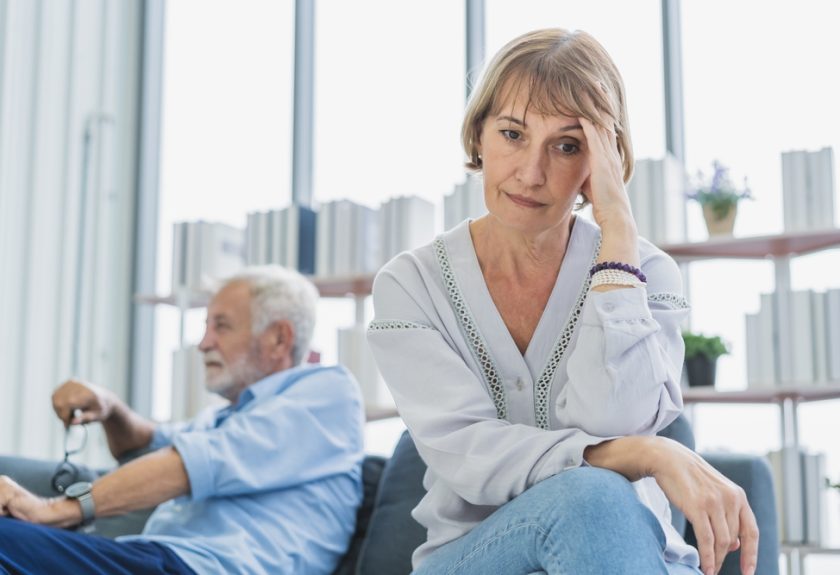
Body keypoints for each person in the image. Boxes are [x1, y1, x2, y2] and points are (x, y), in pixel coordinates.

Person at [366, 28, 757, 575]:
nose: (532, 172)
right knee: (592, 496)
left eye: (568, 145)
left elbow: (614, 417)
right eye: (512, 134)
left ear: (603, 162)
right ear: (479, 134)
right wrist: (641, 453)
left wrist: (617, 240)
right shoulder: (410, 285)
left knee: (595, 500)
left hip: (632, 556)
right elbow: (469, 457)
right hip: (475, 558)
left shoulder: (650, 273)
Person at [0, 266, 365, 575]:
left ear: (278, 337)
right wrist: (111, 408)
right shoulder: (225, 418)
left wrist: (51, 510)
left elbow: (190, 464)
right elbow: (145, 448)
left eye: (221, 326)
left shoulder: (327, 393)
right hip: (156, 558)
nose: (203, 343)